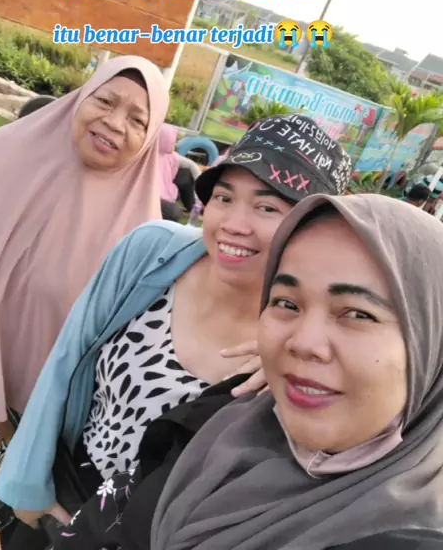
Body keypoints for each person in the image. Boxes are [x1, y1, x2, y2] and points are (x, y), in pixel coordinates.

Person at [0, 114, 353, 536]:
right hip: (66, 487)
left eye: (267, 207)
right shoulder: (150, 252)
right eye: (224, 197)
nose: (233, 224)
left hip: (155, 532)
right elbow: (67, 357)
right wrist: (27, 483)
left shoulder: (311, 339)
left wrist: (287, 362)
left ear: (311, 229)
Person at [53, 193, 443, 550]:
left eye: (358, 314)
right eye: (287, 303)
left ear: (431, 343)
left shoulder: (407, 535)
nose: (303, 342)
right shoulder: (223, 417)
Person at [0, 55, 169, 550]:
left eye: (137, 120)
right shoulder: (3, 151)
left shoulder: (145, 242)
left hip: (18, 418)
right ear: (80, 98)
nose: (114, 123)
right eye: (105, 101)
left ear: (150, 138)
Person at [159, 124, 199, 222]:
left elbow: (192, 165)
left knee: (186, 173)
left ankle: (192, 208)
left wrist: (198, 194)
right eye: (173, 141)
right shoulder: (145, 155)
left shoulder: (170, 156)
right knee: (174, 213)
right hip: (152, 196)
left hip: (168, 192)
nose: (175, 144)